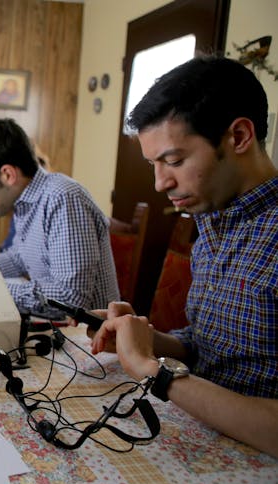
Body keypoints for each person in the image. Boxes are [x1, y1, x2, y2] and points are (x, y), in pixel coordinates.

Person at [85, 55, 277, 457]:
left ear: (239, 136)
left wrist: (156, 372)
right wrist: (144, 338)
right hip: (198, 435)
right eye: (154, 164)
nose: (160, 183)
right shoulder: (212, 219)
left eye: (173, 161)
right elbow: (207, 346)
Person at [0, 118, 119, 315]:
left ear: (7, 174)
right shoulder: (26, 201)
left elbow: (70, 299)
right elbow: (18, 260)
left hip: (89, 340)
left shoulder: (62, 197)